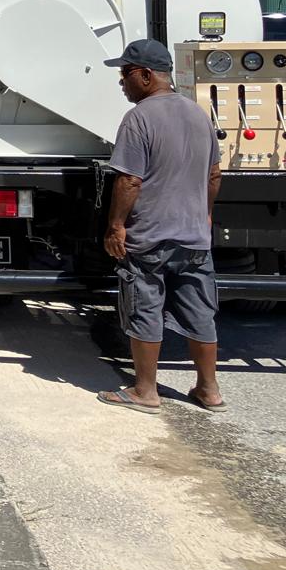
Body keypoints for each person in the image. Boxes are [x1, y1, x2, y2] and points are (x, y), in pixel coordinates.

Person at [97, 39, 225, 414]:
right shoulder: (199, 113)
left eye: (125, 74)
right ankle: (209, 389)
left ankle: (145, 391)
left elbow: (129, 181)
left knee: (145, 307)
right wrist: (205, 214)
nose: (122, 82)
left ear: (146, 75)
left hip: (150, 236)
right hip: (194, 238)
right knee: (200, 311)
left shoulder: (139, 118)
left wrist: (116, 226)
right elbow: (214, 174)